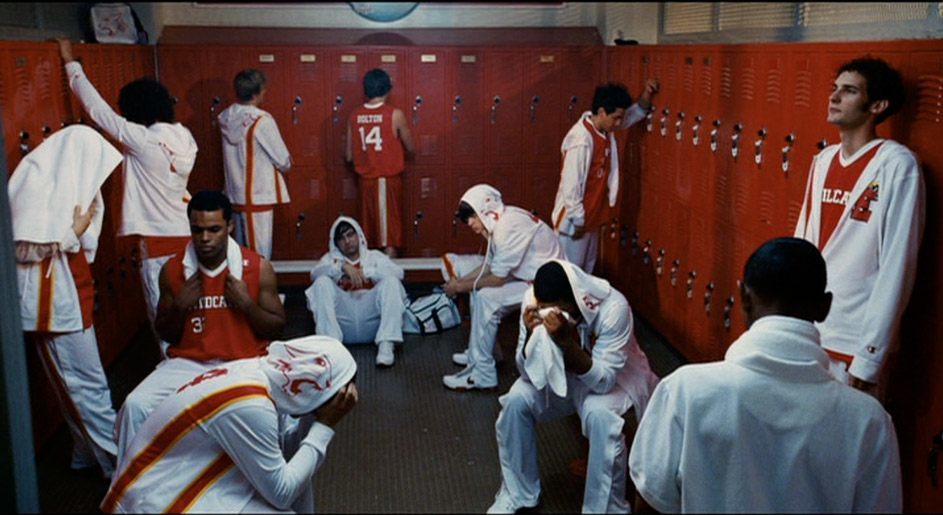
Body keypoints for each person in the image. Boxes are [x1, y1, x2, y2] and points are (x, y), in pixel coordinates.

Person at [629, 237, 902, 513]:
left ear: (743, 297)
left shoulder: (684, 392)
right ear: (825, 307)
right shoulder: (869, 422)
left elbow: (651, 503)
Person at [114, 190, 286, 460]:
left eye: (214, 229)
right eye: (198, 230)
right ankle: (131, 489)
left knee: (270, 414)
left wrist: (247, 305)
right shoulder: (172, 270)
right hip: (188, 364)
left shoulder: (256, 267)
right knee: (135, 406)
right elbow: (166, 333)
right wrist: (180, 306)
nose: (205, 239)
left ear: (229, 226)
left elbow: (277, 328)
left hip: (242, 362)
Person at [100, 335, 358, 513]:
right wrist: (325, 424)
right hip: (152, 501)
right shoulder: (251, 403)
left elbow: (288, 455)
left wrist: (316, 416)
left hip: (184, 478)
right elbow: (282, 493)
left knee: (300, 476)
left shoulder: (264, 374)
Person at [58, 37, 199, 359]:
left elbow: (97, 110)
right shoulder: (185, 137)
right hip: (187, 233)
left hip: (157, 240)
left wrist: (71, 62)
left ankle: (171, 379)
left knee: (162, 315)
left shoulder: (142, 140)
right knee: (192, 312)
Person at [794, 56, 924, 398]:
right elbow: (802, 246)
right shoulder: (822, 161)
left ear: (877, 106)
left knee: (845, 449)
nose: (834, 97)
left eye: (848, 91)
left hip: (853, 341)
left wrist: (870, 356)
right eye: (834, 89)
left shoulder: (896, 165)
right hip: (810, 333)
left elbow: (898, 264)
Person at [488, 260, 658, 514]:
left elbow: (603, 382)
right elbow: (526, 373)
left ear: (572, 302)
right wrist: (527, 333)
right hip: (564, 374)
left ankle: (605, 509)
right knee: (515, 401)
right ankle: (518, 494)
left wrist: (566, 343)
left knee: (600, 414)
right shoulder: (533, 300)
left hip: (619, 379)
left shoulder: (614, 307)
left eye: (554, 309)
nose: (547, 313)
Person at [10, 125, 124, 478]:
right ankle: (115, 463)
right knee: (82, 385)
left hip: (75, 293)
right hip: (53, 304)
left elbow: (84, 237)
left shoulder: (69, 184)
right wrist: (69, 234)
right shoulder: (35, 183)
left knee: (84, 381)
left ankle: (84, 455)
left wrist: (77, 232)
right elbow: (18, 246)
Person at [440, 184, 564, 391]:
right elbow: (488, 266)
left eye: (471, 216)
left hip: (549, 287)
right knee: (479, 292)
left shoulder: (507, 227)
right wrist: (459, 283)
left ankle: (483, 373)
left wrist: (460, 287)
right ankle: (482, 353)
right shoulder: (502, 221)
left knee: (487, 298)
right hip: (531, 278)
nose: (469, 223)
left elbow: (497, 278)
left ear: (484, 210)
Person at [551, 79, 659, 274]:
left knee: (586, 272)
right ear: (601, 112)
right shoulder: (581, 140)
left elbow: (631, 116)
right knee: (570, 276)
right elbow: (571, 184)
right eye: (616, 118)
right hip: (574, 222)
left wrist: (646, 95)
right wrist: (578, 220)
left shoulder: (603, 128)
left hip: (591, 217)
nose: (619, 123)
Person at [304, 216, 407, 367]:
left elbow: (399, 273)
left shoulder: (374, 257)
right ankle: (331, 348)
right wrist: (340, 267)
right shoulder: (330, 259)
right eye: (341, 238)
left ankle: (386, 344)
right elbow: (314, 274)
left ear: (358, 235)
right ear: (336, 243)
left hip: (373, 324)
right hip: (343, 325)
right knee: (321, 283)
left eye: (350, 235)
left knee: (391, 282)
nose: (347, 241)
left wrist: (367, 272)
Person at [218, 68, 292, 261]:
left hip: (235, 195)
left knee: (241, 254)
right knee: (259, 255)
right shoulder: (262, 120)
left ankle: (247, 290)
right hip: (258, 195)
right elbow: (283, 159)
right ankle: (258, 291)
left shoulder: (225, 117)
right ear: (257, 92)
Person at [346, 68, 414, 257]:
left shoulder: (354, 115)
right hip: (386, 181)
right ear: (387, 89)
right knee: (389, 234)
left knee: (368, 232)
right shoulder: (394, 114)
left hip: (364, 182)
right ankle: (389, 279)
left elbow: (349, 156)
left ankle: (370, 279)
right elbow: (410, 146)